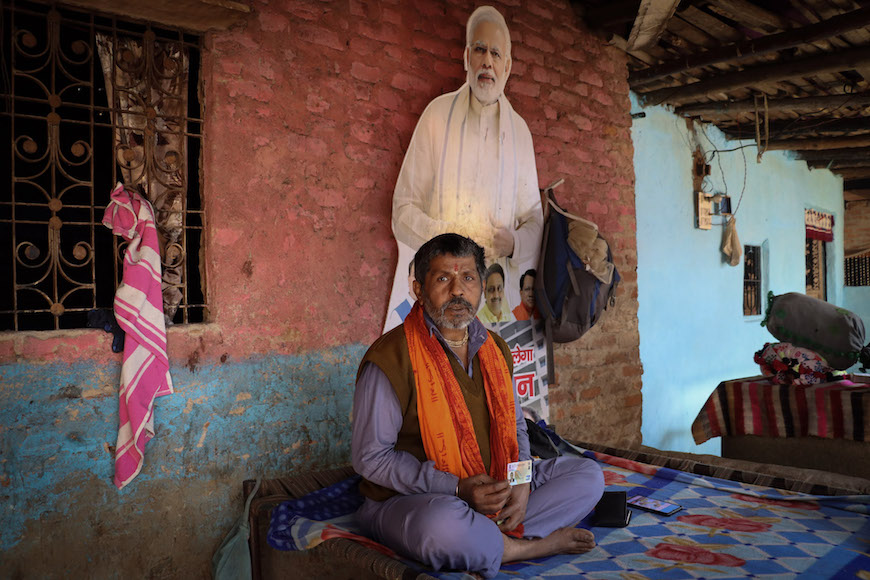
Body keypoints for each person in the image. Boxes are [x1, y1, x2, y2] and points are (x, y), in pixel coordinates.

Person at [352, 233, 605, 578]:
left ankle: (489, 538)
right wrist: (457, 489)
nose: (458, 291)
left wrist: (520, 484)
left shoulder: (495, 349)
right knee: (439, 525)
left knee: (588, 476)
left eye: (468, 278)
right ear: (418, 290)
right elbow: (371, 458)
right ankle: (523, 546)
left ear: (482, 287)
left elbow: (516, 426)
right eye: (443, 279)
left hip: (494, 488)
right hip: (416, 500)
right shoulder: (391, 358)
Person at [386, 6, 543, 327]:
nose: (487, 61)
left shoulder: (520, 133)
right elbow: (403, 211)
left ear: (507, 66)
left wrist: (513, 243)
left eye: (496, 54)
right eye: (480, 50)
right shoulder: (437, 116)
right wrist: (448, 237)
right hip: (438, 289)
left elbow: (535, 221)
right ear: (466, 57)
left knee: (489, 359)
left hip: (494, 295)